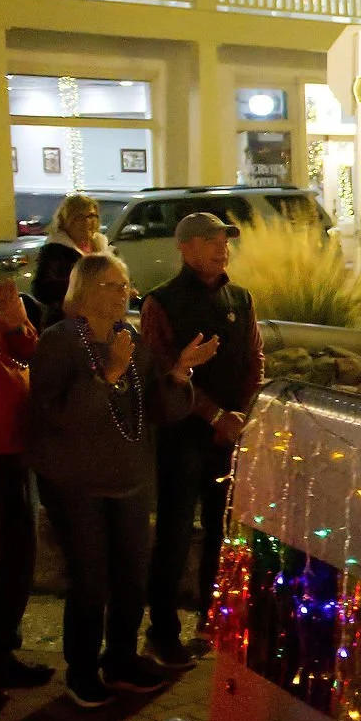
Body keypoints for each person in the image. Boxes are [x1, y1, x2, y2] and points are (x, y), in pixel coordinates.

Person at [29, 254, 217, 707]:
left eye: (126, 284)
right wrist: (109, 373)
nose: (125, 293)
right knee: (91, 581)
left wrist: (179, 374)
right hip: (77, 485)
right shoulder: (58, 343)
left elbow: (156, 411)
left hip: (128, 480)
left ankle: (121, 658)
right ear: (87, 291)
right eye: (115, 285)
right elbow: (57, 419)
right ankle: (81, 670)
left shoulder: (128, 338)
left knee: (132, 577)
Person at [140, 213, 262, 667]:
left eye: (225, 241)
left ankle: (213, 622)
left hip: (229, 436)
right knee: (172, 535)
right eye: (211, 241)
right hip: (182, 437)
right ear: (185, 248)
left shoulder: (242, 298)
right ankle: (162, 633)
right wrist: (214, 414)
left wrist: (244, 413)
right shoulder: (162, 303)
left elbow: (255, 357)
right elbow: (161, 368)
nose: (221, 249)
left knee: (221, 534)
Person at [0, 281, 50, 705]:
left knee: (18, 554)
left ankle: (1, 652)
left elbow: (28, 354)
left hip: (14, 445)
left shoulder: (1, 296)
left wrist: (16, 323)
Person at [29, 195, 108, 327]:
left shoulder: (102, 247)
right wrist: (81, 285)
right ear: (66, 221)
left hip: (99, 319)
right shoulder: (55, 250)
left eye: (91, 216)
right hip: (66, 322)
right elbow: (41, 289)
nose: (87, 222)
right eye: (79, 217)